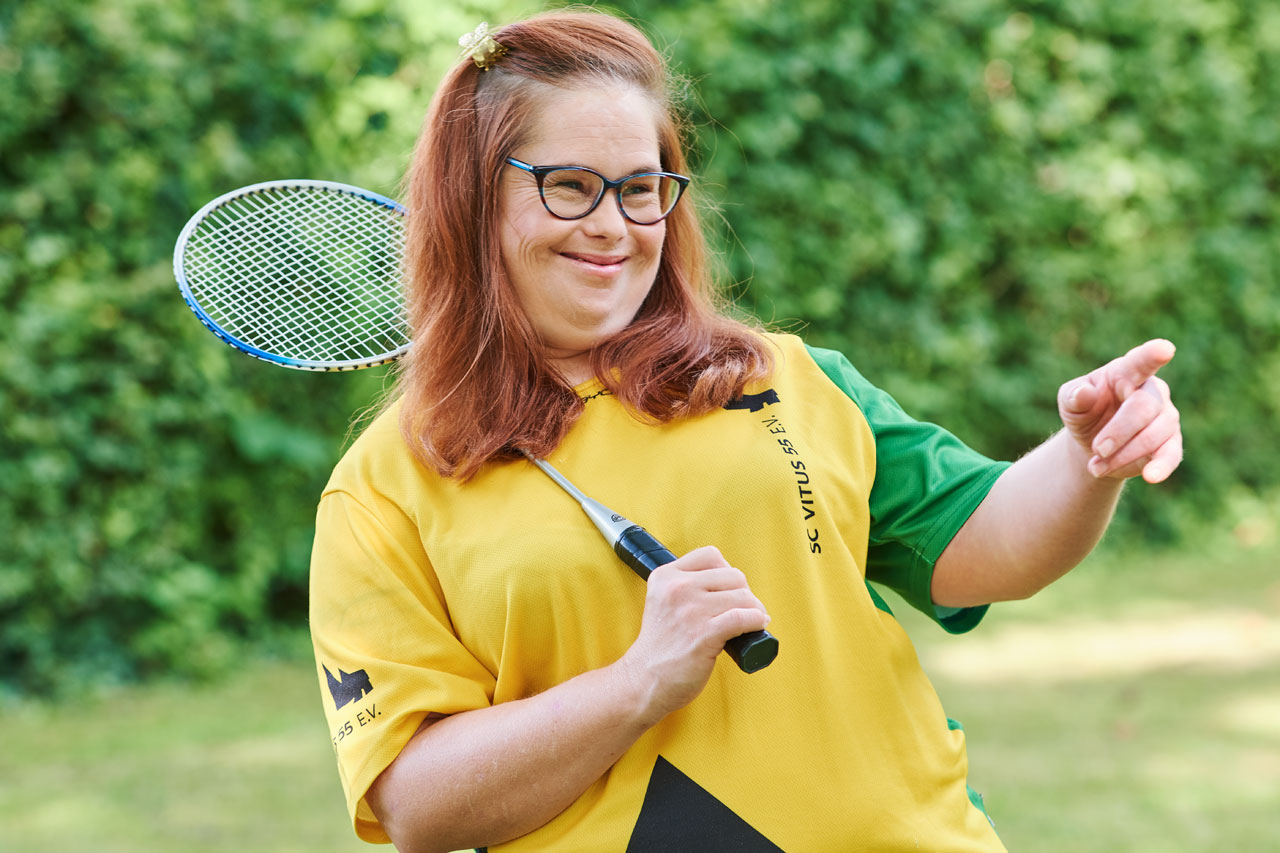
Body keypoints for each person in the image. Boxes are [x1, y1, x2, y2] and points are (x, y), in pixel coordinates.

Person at [308, 10, 1182, 852]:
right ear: (471, 199)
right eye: (569, 185)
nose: (613, 225)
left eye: (641, 189)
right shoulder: (383, 489)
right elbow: (416, 803)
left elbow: (985, 544)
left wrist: (1085, 457)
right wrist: (636, 683)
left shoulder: (788, 377)